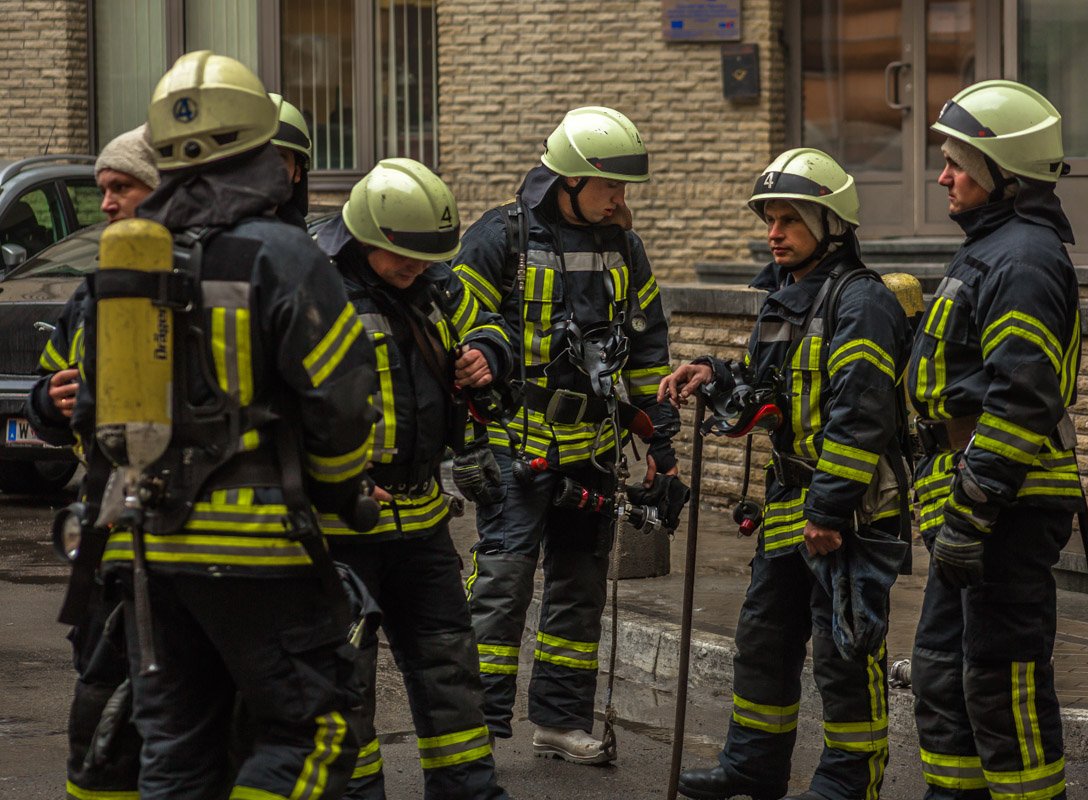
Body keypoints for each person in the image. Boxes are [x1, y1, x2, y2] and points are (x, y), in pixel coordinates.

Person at [37, 50, 378, 800]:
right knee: (314, 731)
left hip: (149, 551)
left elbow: (89, 414)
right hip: (260, 549)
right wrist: (332, 492)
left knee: (175, 748)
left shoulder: (124, 267)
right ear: (263, 153)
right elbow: (344, 401)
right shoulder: (284, 256)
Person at [661, 148, 911, 800]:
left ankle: (847, 783)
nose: (774, 233)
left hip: (849, 513)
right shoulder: (785, 299)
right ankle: (754, 765)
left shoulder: (862, 303)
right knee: (764, 639)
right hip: (789, 503)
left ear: (831, 225)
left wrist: (828, 510)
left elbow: (862, 415)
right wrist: (714, 374)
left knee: (843, 651)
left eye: (790, 220)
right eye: (770, 219)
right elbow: (763, 388)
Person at [453, 106, 679, 764]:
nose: (620, 199)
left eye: (623, 187)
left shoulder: (626, 249)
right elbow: (455, 323)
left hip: (595, 452)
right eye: (610, 185)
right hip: (516, 447)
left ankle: (559, 721)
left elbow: (648, 352)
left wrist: (661, 446)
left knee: (579, 590)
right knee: (502, 585)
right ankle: (473, 726)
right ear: (569, 180)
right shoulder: (500, 237)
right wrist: (482, 358)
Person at [314, 157, 513, 800]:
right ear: (366, 235)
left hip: (423, 518)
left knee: (450, 668)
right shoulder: (315, 292)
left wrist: (489, 352)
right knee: (345, 680)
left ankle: (469, 791)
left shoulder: (433, 282)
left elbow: (488, 321)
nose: (418, 269)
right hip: (343, 525)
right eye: (405, 256)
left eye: (429, 258)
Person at [908, 79, 1082, 800]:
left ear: (1003, 172)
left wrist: (972, 511)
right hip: (977, 504)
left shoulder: (1023, 260)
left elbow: (1021, 397)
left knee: (1001, 682)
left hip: (1006, 508)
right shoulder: (994, 246)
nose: (943, 176)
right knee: (944, 675)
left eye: (957, 163)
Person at [25, 123, 160, 800]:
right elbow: (46, 392)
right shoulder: (93, 291)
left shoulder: (195, 280)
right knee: (100, 701)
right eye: (104, 188)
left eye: (123, 187)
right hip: (104, 526)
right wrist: (49, 401)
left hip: (178, 527)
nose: (106, 202)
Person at [269, 93, 313, 229]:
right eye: (257, 157)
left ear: (297, 172)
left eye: (280, 158)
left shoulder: (299, 236)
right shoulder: (215, 231)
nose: (267, 168)